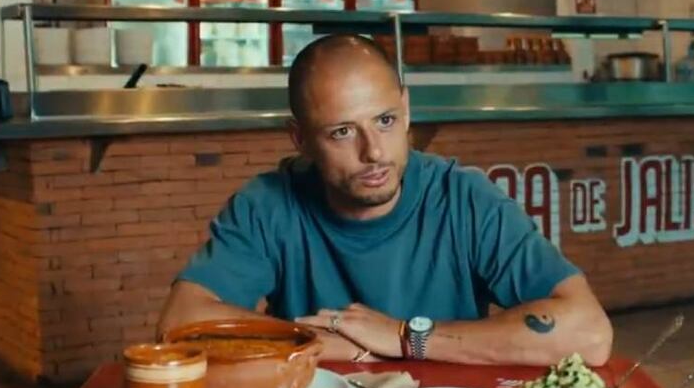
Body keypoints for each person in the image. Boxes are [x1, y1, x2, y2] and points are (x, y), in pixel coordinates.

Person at [158, 34, 612, 366]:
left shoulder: (466, 199)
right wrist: (335, 344)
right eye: (341, 132)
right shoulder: (268, 204)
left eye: (386, 121)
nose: (373, 152)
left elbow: (590, 333)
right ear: (300, 139)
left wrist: (402, 338)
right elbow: (179, 323)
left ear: (407, 109)